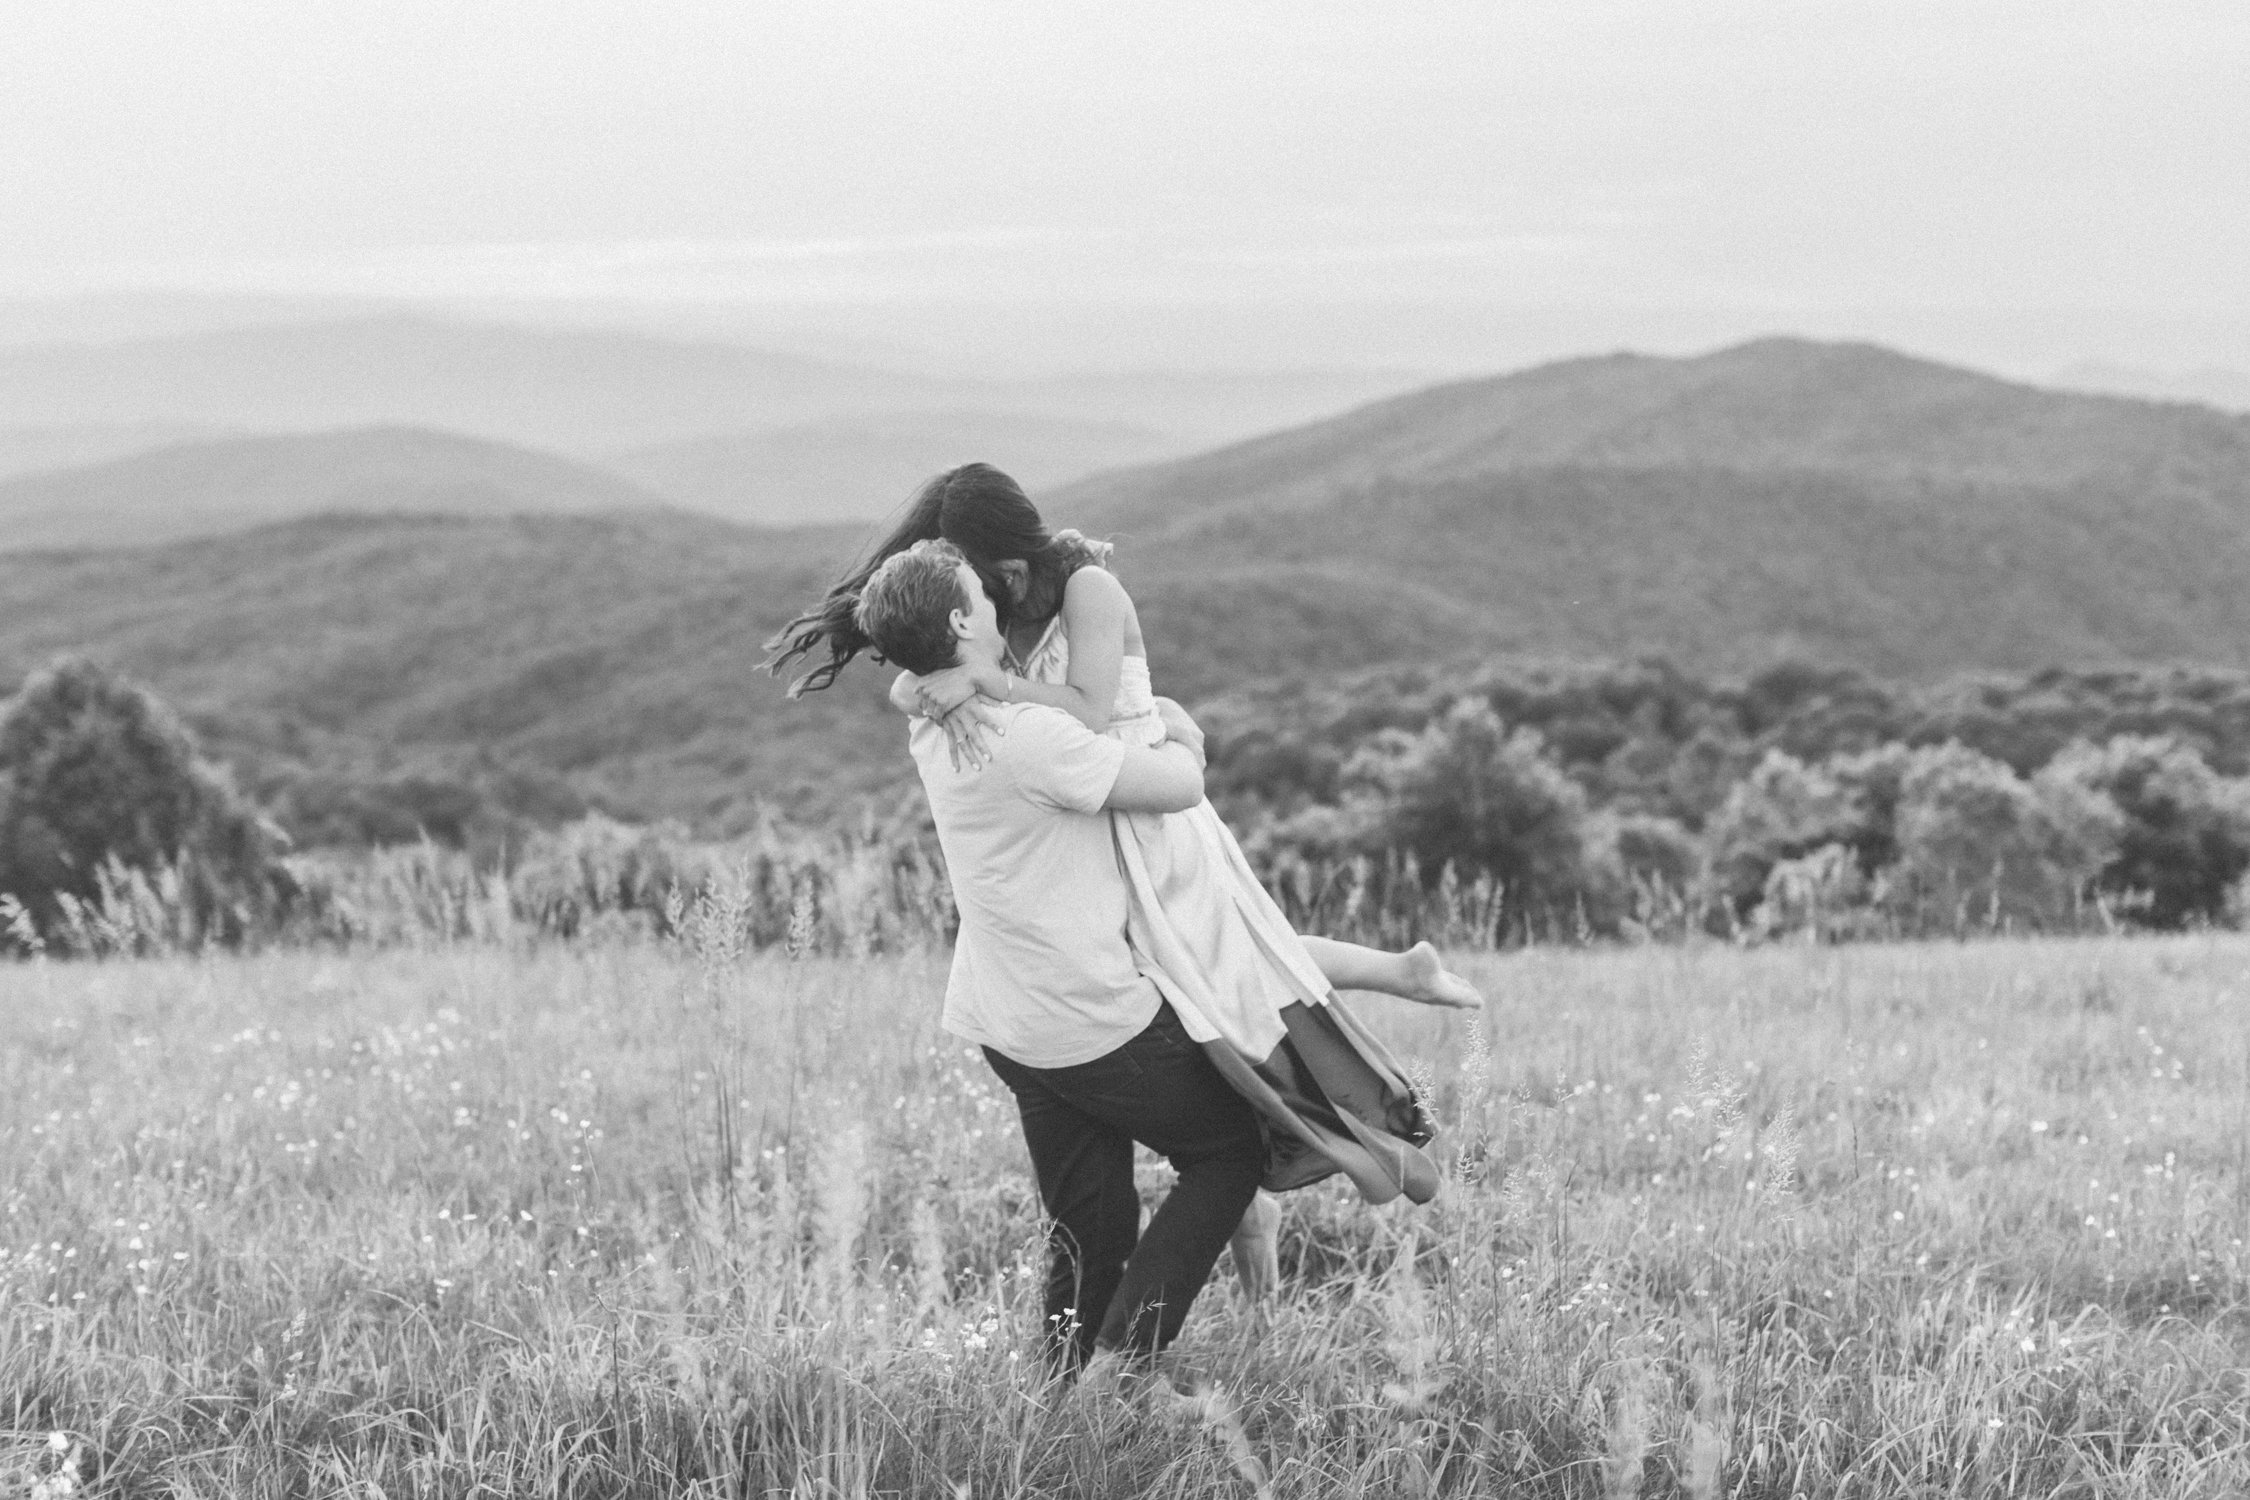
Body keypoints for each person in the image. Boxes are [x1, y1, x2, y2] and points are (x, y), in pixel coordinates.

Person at [765, 466, 1479, 1247]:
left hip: (1152, 807)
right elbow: (915, 675)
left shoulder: (1088, 589)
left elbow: (1088, 711)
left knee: (1221, 964)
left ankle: (1371, 1019)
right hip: (1102, 807)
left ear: (1005, 557)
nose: (963, 580)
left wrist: (985, 683)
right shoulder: (993, 607)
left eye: (965, 564)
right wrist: (926, 689)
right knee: (1213, 962)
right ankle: (1364, 1018)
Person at [848, 537, 1264, 1372]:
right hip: (1086, 1019)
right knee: (1230, 1152)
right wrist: (1186, 733)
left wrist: (923, 685)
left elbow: (913, 683)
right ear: (964, 619)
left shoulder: (939, 726)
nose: (1001, 600)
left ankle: (1063, 1394)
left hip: (1007, 1023)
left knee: (1092, 1225)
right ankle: (1121, 1357)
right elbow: (1179, 788)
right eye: (982, 590)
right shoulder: (1030, 736)